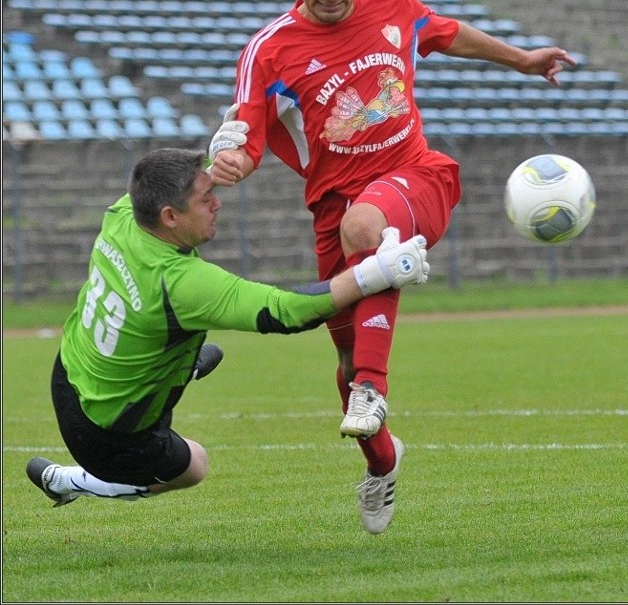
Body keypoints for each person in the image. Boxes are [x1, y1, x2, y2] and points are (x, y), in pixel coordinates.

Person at [208, 0, 577, 535]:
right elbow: (247, 129)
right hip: (333, 209)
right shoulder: (269, 50)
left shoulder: (394, 6)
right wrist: (234, 160)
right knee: (346, 360)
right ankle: (382, 460)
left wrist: (523, 59)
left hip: (417, 180)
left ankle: (373, 388)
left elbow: (450, 33)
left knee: (366, 233)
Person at [26, 147, 428, 509]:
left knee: (170, 337)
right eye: (206, 198)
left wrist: (223, 150)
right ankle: (71, 481)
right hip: (108, 435)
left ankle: (176, 363)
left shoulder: (124, 215)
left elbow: (169, 187)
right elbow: (286, 311)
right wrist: (376, 272)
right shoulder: (182, 284)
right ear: (170, 216)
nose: (217, 204)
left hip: (68, 373)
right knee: (195, 464)